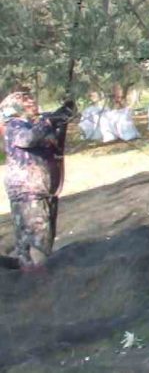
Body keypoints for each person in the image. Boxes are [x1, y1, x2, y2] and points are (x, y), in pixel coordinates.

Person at [2, 90, 73, 271]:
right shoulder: (14, 125)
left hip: (43, 189)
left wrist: (62, 118)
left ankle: (31, 275)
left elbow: (54, 145)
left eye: (32, 99)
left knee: (43, 238)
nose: (32, 102)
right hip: (28, 192)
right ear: (15, 107)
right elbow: (29, 139)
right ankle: (37, 282)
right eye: (26, 101)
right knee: (35, 242)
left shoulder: (34, 125)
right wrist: (49, 121)